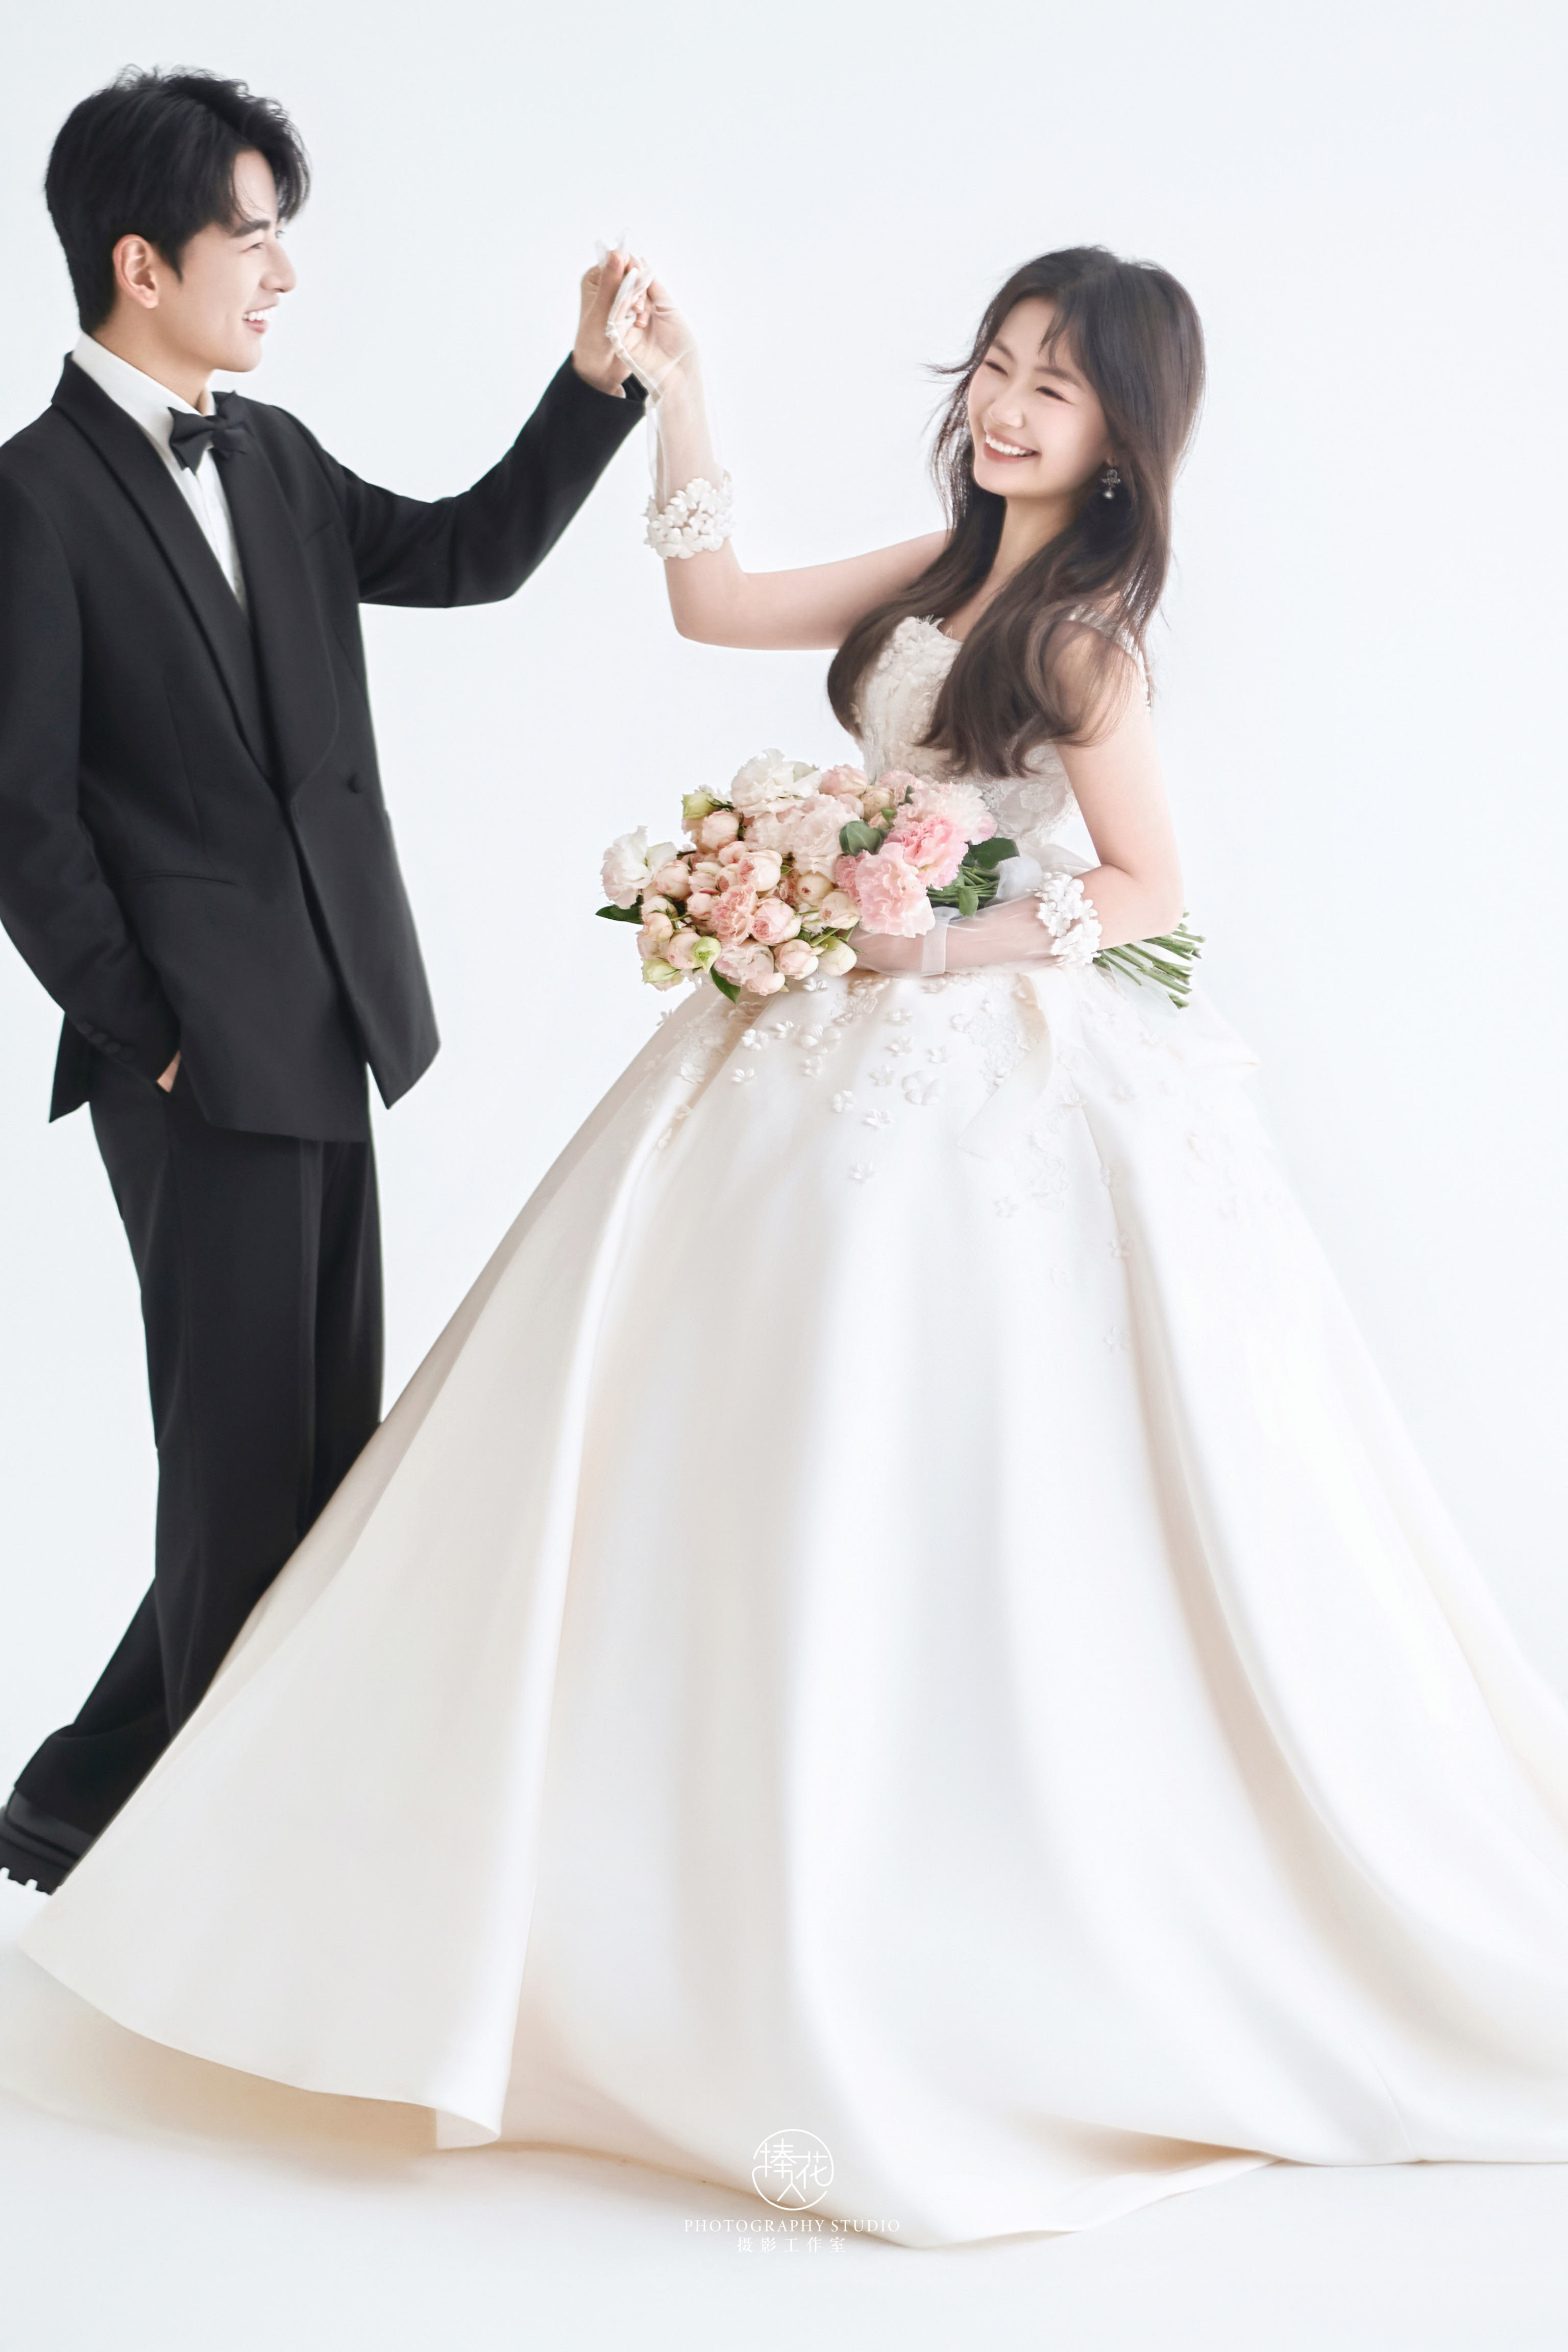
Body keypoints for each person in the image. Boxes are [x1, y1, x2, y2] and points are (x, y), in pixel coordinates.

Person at [17, 247, 1568, 2249]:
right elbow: (716, 603)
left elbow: (1151, 884)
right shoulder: (940, 573)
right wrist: (677, 396)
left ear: (1122, 441)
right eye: (995, 366)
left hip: (978, 1052)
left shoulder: (1084, 640)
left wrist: (947, 942)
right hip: (807, 1017)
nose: (1005, 407)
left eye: (1055, 390)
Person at [0, 70, 650, 1897]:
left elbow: (468, 555)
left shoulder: (274, 457)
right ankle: (209, 1873)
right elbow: (21, 819)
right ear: (142, 263)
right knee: (235, 1464)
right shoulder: (30, 502)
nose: (283, 274)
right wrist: (151, 1037)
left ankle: (87, 1800)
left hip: (338, 1019)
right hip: (192, 1055)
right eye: (254, 238)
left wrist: (593, 382)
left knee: (320, 1461)